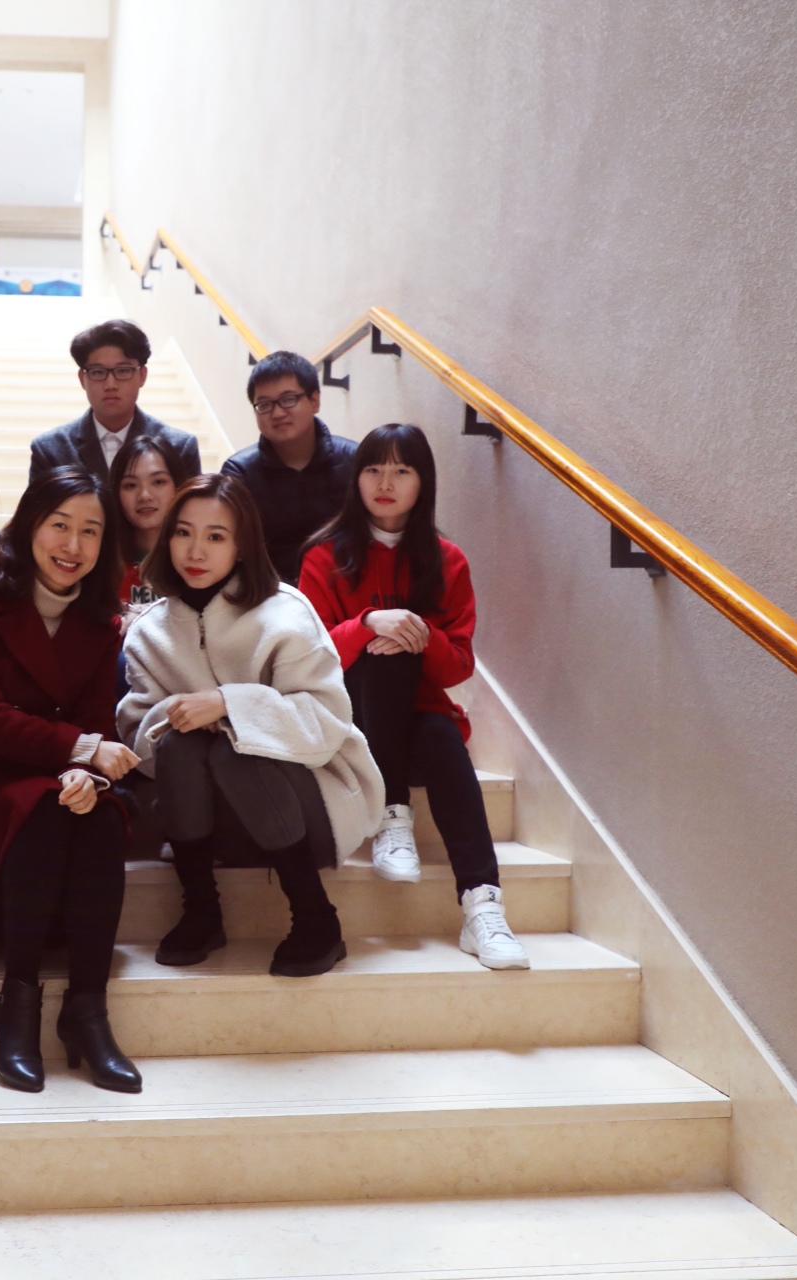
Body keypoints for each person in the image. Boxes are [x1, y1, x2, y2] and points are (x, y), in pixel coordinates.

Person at [0, 467, 143, 1096]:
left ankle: (87, 1012)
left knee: (98, 813)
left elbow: (95, 722)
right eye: (59, 525)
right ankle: (17, 1006)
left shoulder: (102, 621)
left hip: (47, 781)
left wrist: (84, 777)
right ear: (29, 527)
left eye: (91, 531)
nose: (73, 545)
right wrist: (80, 751)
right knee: (46, 807)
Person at [119, 474, 385, 978]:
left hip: (309, 813)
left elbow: (327, 720)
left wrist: (229, 705)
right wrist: (183, 714)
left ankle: (317, 919)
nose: (196, 551)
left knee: (236, 751)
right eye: (183, 532)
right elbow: (140, 742)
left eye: (216, 536)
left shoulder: (285, 611)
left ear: (242, 545)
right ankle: (201, 911)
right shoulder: (150, 630)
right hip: (212, 825)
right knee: (180, 745)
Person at [298, 423, 530, 970]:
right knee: (386, 647)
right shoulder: (323, 557)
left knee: (441, 737)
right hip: (350, 717)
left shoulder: (447, 560)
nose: (386, 483)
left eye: (402, 470)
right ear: (356, 478)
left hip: (421, 717)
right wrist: (367, 624)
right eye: (374, 469)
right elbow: (310, 657)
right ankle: (391, 811)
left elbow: (458, 666)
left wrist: (420, 635)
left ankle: (482, 906)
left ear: (422, 482)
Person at [220, 350, 356, 582]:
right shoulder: (239, 472)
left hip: (345, 587)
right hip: (269, 593)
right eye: (264, 404)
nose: (277, 413)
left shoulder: (354, 460)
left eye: (288, 399)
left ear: (315, 401)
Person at [28, 319, 200, 488]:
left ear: (142, 375)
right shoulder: (50, 450)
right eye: (98, 372)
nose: (110, 384)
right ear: (82, 379)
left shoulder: (179, 447)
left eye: (123, 370)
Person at [111, 433, 193, 624]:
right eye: (131, 485)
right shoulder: (103, 561)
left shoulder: (196, 556)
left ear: (178, 485)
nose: (145, 495)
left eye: (158, 482)